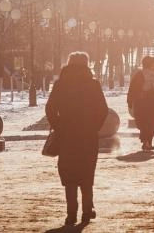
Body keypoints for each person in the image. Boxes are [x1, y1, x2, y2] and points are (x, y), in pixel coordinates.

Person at [45, 52, 108, 226]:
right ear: (86, 64)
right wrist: (93, 127)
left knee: (69, 174)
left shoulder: (61, 84)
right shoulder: (93, 84)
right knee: (87, 172)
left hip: (67, 136)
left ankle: (71, 213)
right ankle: (87, 210)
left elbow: (50, 109)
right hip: (87, 136)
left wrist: (59, 126)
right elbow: (103, 110)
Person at [126, 56, 154, 152]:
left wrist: (130, 100)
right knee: (148, 123)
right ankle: (146, 141)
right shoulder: (143, 75)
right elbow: (133, 88)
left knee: (148, 123)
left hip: (147, 103)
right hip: (146, 102)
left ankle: (147, 141)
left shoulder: (152, 75)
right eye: (153, 65)